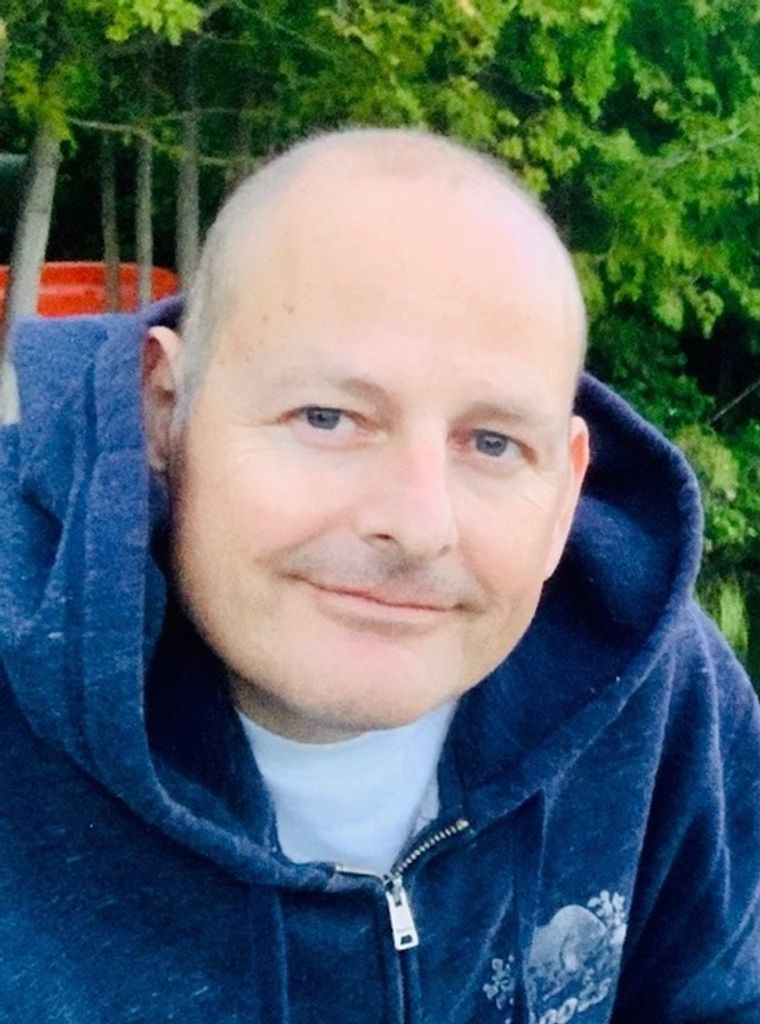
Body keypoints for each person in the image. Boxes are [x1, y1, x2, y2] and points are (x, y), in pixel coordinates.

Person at [0, 128, 758, 1024]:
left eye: (492, 444)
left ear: (565, 491)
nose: (418, 525)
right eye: (327, 418)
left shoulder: (659, 697)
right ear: (165, 412)